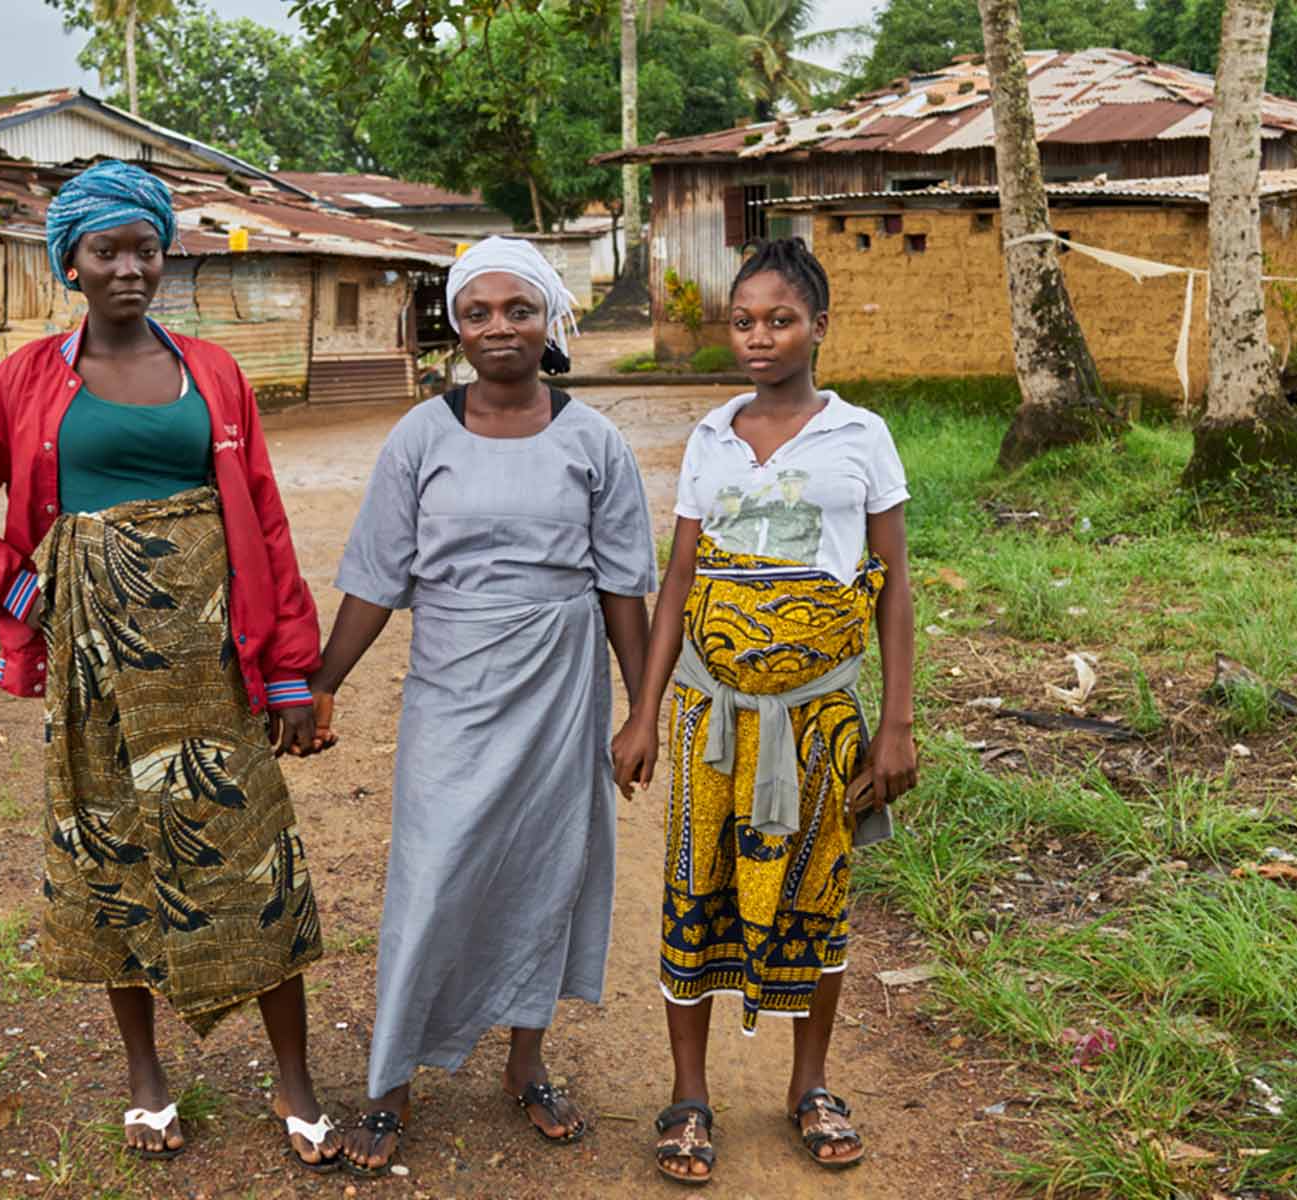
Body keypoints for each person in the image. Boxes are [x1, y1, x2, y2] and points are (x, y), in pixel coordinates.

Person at [0, 160, 342, 1172]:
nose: (129, 267)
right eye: (107, 251)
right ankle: (145, 1078)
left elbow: (262, 522)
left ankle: (295, 1078)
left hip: (211, 668)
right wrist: (16, 591)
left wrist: (288, 674)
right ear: (72, 264)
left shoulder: (215, 373)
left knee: (256, 859)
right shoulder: (25, 380)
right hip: (96, 679)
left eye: (146, 247)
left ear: (163, 253)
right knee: (115, 864)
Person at [308, 236, 657, 1176]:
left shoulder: (595, 440)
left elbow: (624, 586)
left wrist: (640, 712)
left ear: (549, 321)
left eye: (518, 310)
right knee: (430, 875)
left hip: (559, 685)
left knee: (547, 872)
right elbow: (379, 576)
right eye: (477, 313)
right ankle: (388, 1083)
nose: (497, 328)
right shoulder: (422, 435)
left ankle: (526, 1062)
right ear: (453, 326)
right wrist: (324, 679)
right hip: (453, 685)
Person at [611, 237, 917, 1183]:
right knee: (696, 892)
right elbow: (680, 581)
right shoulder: (710, 438)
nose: (758, 337)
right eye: (743, 321)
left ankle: (809, 1085)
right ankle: (689, 1094)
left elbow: (894, 584)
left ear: (819, 326)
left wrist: (897, 720)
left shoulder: (860, 435)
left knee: (819, 894)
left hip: (820, 720)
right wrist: (644, 710)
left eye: (779, 319)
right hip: (717, 722)